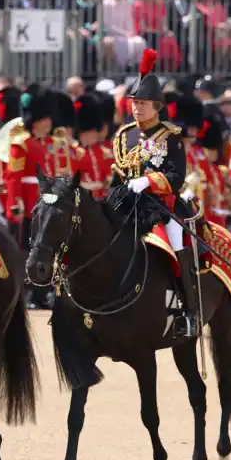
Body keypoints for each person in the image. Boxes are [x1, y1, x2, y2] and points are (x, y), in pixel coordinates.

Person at [111, 49, 198, 337]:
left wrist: (150, 182)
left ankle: (188, 309)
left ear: (157, 106)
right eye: (135, 103)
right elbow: (118, 172)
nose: (137, 108)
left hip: (160, 206)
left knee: (176, 241)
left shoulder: (170, 136)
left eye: (143, 104)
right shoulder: (124, 135)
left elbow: (176, 177)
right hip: (127, 203)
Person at [4, 83, 56, 309]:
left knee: (46, 249)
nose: (49, 122)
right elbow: (13, 177)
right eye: (45, 118)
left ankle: (42, 290)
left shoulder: (49, 145)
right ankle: (24, 291)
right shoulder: (21, 144)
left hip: (46, 205)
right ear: (35, 119)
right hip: (28, 204)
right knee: (26, 250)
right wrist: (15, 204)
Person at [70, 93, 114, 199]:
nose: (94, 134)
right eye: (90, 132)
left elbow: (107, 178)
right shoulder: (74, 152)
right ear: (82, 133)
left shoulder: (103, 152)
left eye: (95, 131)